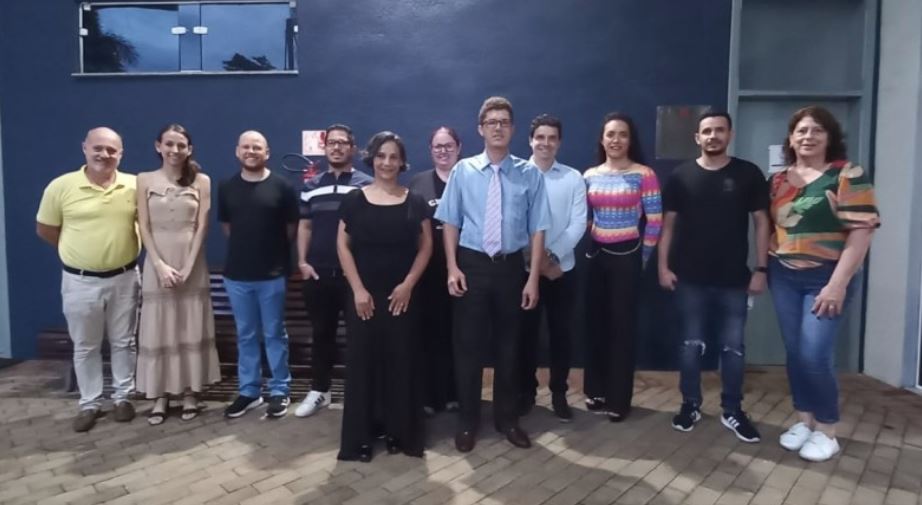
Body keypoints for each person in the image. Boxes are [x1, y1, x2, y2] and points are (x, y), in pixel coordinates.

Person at [435, 96, 550, 452]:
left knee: (509, 347)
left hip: (511, 268)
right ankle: (467, 422)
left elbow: (538, 229)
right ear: (480, 129)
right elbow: (450, 222)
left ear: (512, 129)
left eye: (504, 122)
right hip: (471, 266)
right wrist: (452, 267)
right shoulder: (463, 171)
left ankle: (507, 419)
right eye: (491, 122)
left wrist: (532, 278)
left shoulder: (529, 174)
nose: (498, 127)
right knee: (468, 347)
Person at [768, 106, 879, 462]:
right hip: (783, 274)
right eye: (801, 130)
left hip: (826, 276)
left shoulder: (847, 174)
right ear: (790, 139)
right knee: (795, 352)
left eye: (817, 130)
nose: (808, 136)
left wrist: (837, 284)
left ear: (829, 137)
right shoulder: (779, 180)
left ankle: (828, 430)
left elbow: (861, 232)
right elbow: (775, 228)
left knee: (815, 354)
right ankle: (805, 420)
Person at [658, 111, 769, 442]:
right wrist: (663, 267)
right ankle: (690, 404)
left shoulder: (748, 173)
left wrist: (761, 268)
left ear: (729, 135)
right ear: (697, 137)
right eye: (707, 131)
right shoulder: (681, 176)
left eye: (720, 130)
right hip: (689, 278)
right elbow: (667, 226)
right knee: (690, 346)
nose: (713, 136)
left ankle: (733, 410)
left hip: (734, 280)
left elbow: (762, 223)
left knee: (733, 348)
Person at [36, 127, 140, 432]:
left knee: (124, 341)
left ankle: (123, 397)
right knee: (85, 345)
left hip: (124, 277)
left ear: (121, 154)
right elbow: (46, 229)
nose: (104, 155)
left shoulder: (134, 185)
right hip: (80, 281)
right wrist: (78, 252)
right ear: (85, 148)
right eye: (98, 148)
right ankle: (90, 403)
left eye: (111, 150)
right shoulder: (61, 186)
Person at [336, 131, 432, 462]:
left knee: (401, 364)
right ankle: (361, 438)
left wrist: (408, 284)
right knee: (363, 366)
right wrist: (358, 289)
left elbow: (426, 248)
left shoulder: (415, 201)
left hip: (401, 297)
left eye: (393, 157)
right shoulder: (354, 199)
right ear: (372, 159)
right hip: (364, 297)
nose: (387, 162)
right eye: (381, 156)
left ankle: (398, 433)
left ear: (402, 162)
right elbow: (343, 246)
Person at [136, 124, 221, 425]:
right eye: (169, 144)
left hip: (191, 263)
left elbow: (202, 226)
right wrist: (159, 265)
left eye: (181, 145)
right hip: (157, 262)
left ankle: (190, 392)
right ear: (158, 146)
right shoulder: (144, 180)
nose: (175, 150)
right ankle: (160, 395)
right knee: (160, 327)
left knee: (190, 326)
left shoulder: (202, 180)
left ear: (189, 149)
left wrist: (188, 266)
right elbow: (143, 226)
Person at [583, 112, 662, 422]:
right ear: (602, 140)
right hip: (596, 256)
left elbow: (655, 221)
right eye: (610, 134)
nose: (616, 140)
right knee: (595, 325)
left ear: (630, 140)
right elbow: (585, 218)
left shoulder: (644, 174)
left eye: (622, 134)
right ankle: (596, 391)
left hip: (628, 256)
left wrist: (643, 258)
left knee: (622, 329)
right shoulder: (589, 175)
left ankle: (618, 400)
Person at [218, 130, 300, 419]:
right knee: (246, 335)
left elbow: (291, 228)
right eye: (246, 147)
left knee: (275, 333)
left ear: (267, 153)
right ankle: (249, 392)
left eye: (257, 147)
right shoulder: (226, 187)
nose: (251, 151)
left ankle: (280, 389)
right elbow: (228, 227)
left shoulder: (282, 186)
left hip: (272, 275)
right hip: (237, 276)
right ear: (237, 151)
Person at [295, 124, 373, 418]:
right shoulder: (311, 185)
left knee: (359, 338)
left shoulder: (366, 185)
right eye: (332, 143)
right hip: (318, 276)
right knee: (321, 335)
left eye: (342, 143)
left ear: (352, 148)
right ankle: (320, 390)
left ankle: (359, 393)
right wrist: (302, 262)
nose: (337, 147)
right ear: (325, 148)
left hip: (355, 278)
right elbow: (305, 225)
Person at [517, 114, 586, 422]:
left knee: (562, 336)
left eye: (552, 138)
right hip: (523, 271)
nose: (545, 143)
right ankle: (526, 393)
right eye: (540, 137)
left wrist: (551, 257)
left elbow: (578, 224)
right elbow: (512, 222)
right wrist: (536, 262)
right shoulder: (516, 175)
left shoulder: (573, 178)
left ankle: (559, 393)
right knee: (525, 336)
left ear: (559, 142)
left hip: (562, 272)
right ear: (530, 140)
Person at [408, 126, 462, 416]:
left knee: (459, 335)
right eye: (438, 146)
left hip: (464, 270)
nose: (443, 151)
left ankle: (455, 393)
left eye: (448, 145)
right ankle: (429, 396)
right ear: (431, 150)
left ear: (459, 147)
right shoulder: (418, 183)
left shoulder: (469, 178)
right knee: (428, 334)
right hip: (428, 273)